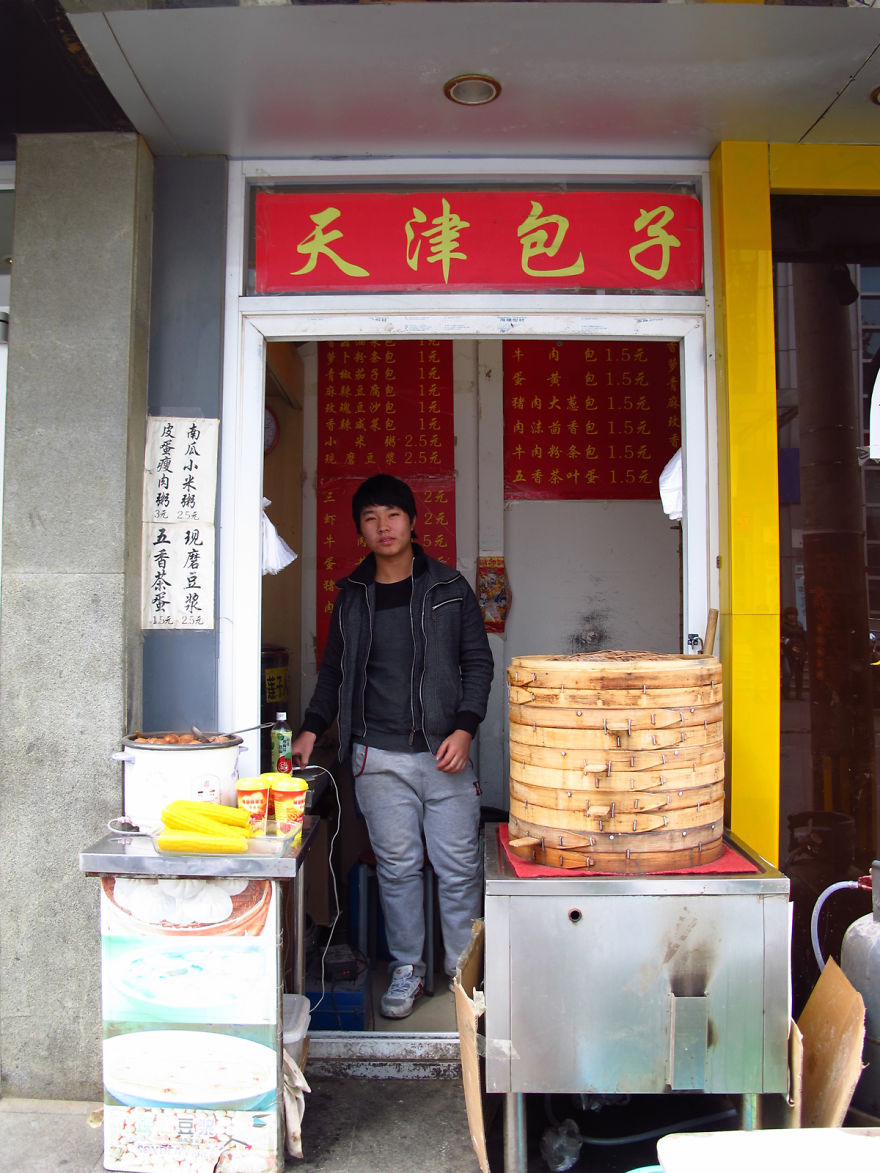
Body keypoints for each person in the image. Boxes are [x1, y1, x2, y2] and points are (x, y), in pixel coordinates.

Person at [290, 474, 494, 1019]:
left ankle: (463, 973)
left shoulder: (450, 588)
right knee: (398, 868)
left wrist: (465, 728)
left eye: (393, 515)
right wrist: (311, 727)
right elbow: (333, 672)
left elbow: (478, 664)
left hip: (445, 752)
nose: (383, 527)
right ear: (360, 530)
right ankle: (408, 966)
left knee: (459, 869)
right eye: (371, 518)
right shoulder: (352, 597)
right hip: (376, 757)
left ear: (412, 522)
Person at [781, 605, 807, 700]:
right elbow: (782, 638)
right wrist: (789, 643)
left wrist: (805, 649)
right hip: (788, 651)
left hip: (800, 650)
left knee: (799, 673)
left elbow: (803, 637)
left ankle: (799, 694)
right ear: (786, 615)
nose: (792, 616)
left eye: (794, 614)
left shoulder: (799, 625)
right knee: (789, 673)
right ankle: (786, 692)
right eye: (790, 614)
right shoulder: (783, 626)